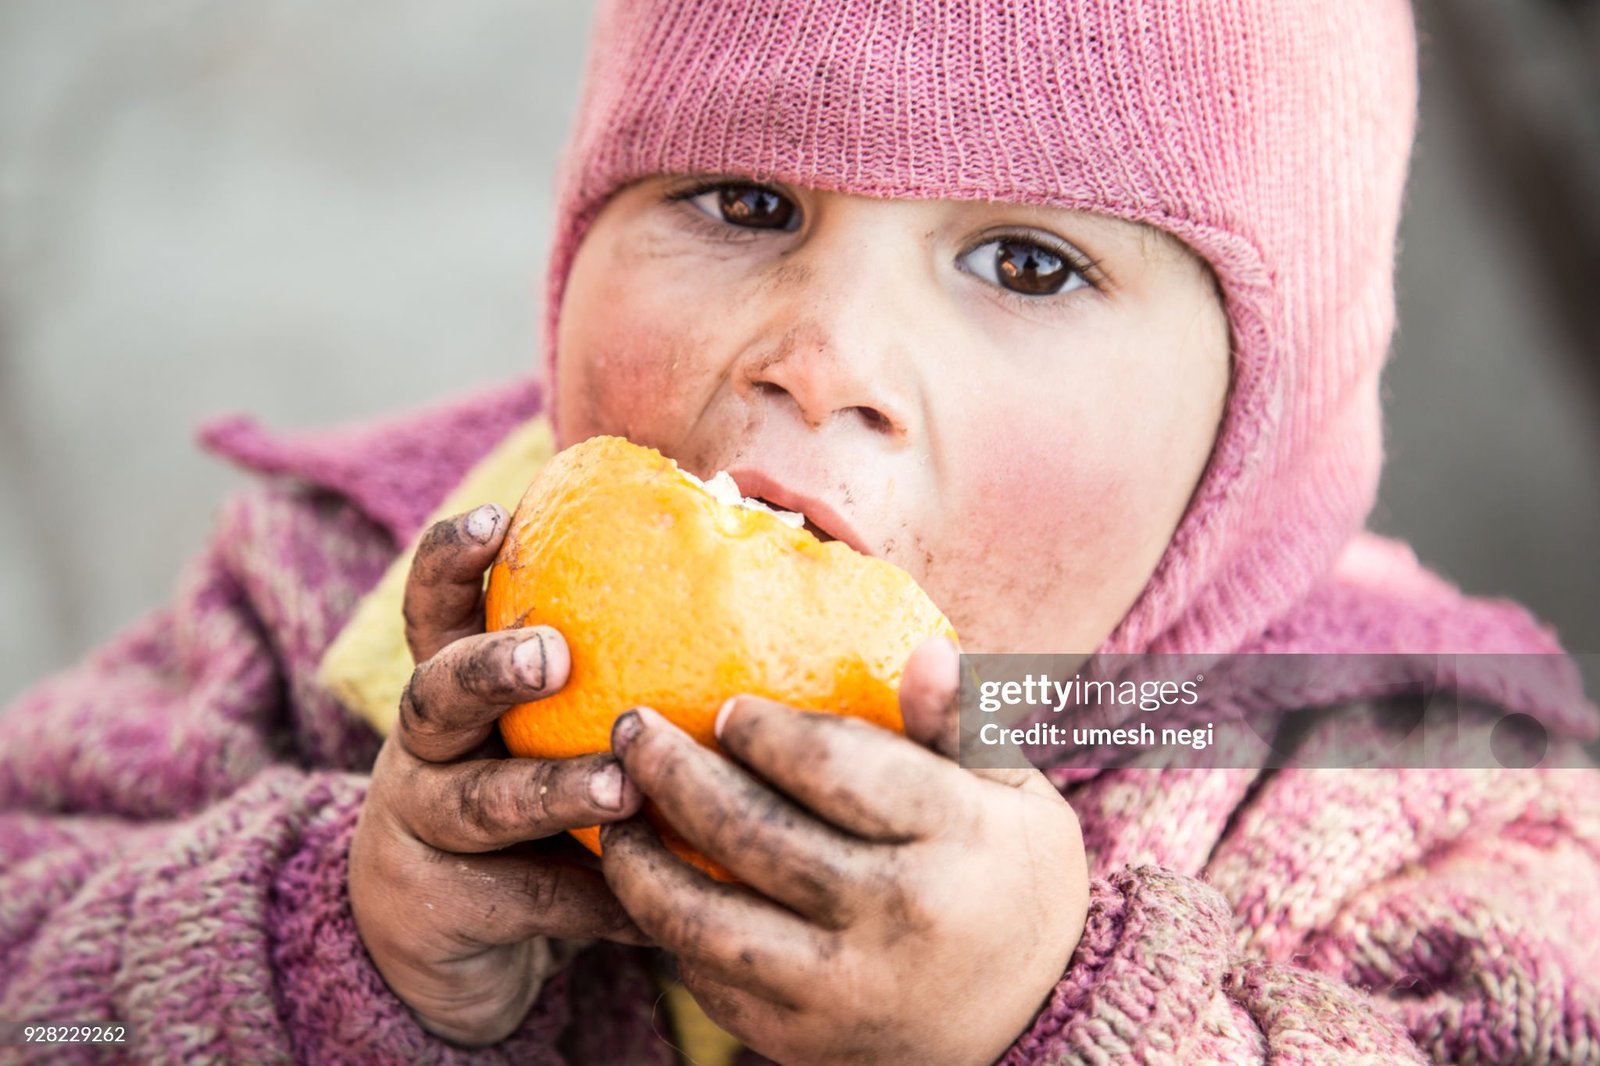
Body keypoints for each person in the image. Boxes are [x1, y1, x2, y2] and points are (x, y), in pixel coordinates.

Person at [2, 0, 1597, 1063]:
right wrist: (331, 944)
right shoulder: (336, 595)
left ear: (1258, 420)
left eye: (1028, 264)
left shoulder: (1404, 759)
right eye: (747, 204)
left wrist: (1060, 1010)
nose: (820, 350)